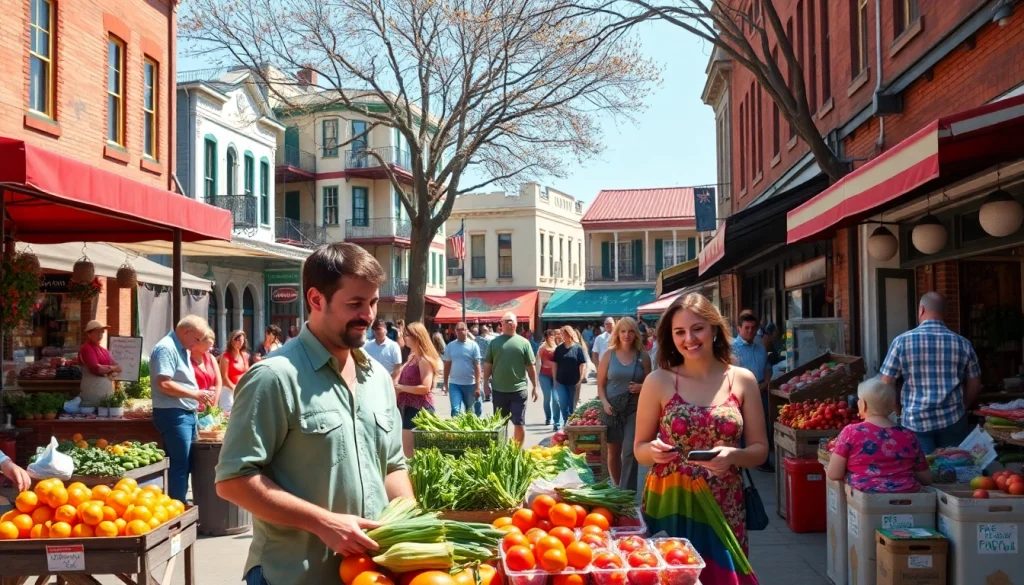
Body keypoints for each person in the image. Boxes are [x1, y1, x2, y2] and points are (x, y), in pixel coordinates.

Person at [215, 243, 411, 585]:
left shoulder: (378, 378)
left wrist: (412, 524)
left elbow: (392, 465)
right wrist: (323, 522)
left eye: (373, 302)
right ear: (316, 300)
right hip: (290, 575)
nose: (368, 315)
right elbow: (233, 481)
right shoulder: (274, 377)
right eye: (355, 304)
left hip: (369, 575)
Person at [635, 294, 767, 585]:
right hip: (670, 498)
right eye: (679, 332)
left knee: (722, 577)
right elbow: (640, 449)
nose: (689, 339)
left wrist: (732, 456)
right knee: (670, 575)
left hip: (724, 502)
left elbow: (759, 451)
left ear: (715, 329)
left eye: (697, 328)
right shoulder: (658, 380)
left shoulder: (742, 379)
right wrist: (653, 452)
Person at [880, 292, 982, 454]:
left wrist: (898, 410)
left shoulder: (901, 342)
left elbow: (886, 382)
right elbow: (975, 382)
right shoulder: (963, 343)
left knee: (923, 473)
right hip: (953, 419)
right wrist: (963, 406)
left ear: (921, 310)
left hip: (915, 420)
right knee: (955, 471)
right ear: (945, 313)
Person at [827, 378, 933, 493]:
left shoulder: (851, 432)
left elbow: (834, 473)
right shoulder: (908, 435)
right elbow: (926, 478)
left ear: (863, 404)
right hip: (907, 499)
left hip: (866, 500)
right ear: (892, 405)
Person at [151, 315, 213, 502]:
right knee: (180, 463)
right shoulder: (166, 348)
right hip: (173, 413)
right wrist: (194, 394)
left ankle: (178, 505)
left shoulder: (182, 348)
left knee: (185, 462)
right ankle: (178, 508)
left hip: (184, 412)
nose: (198, 343)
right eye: (197, 339)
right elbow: (164, 384)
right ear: (186, 332)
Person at [598, 317, 651, 490]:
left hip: (634, 408)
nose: (626, 335)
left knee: (629, 450)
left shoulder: (643, 357)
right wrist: (605, 403)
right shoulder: (608, 355)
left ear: (635, 333)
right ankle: (618, 486)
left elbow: (651, 384)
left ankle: (627, 493)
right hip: (612, 408)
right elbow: (600, 384)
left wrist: (642, 387)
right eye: (622, 331)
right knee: (613, 452)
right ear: (617, 333)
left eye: (630, 331)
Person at [483, 312, 540, 444]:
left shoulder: (524, 343)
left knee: (519, 423)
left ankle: (516, 452)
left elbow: (531, 366)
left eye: (511, 321)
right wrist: (485, 383)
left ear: (516, 324)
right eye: (506, 321)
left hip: (518, 390)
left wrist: (535, 386)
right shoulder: (494, 343)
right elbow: (488, 364)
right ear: (501, 324)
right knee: (500, 425)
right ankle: (502, 451)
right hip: (499, 390)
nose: (509, 323)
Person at [733, 310, 773, 472]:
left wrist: (766, 383)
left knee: (759, 426)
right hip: (740, 394)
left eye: (753, 328)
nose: (750, 331)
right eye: (746, 328)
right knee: (741, 427)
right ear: (739, 329)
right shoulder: (732, 349)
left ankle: (760, 461)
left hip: (761, 391)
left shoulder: (760, 349)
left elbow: (767, 368)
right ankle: (741, 462)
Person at [395, 322, 441, 458]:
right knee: (410, 453)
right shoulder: (412, 357)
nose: (404, 337)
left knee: (416, 455)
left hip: (420, 410)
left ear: (416, 337)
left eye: (407, 335)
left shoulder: (424, 360)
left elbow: (425, 388)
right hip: (408, 408)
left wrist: (401, 388)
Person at [552, 325, 589, 430]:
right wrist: (554, 379)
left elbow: (582, 364)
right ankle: (565, 422)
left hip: (574, 381)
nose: (562, 336)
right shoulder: (559, 349)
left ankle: (571, 425)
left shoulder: (577, 348)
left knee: (572, 405)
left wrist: (581, 378)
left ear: (570, 334)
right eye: (562, 334)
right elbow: (555, 364)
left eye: (564, 334)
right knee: (563, 404)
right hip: (561, 381)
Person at [77, 320, 121, 407]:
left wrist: (109, 369)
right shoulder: (86, 349)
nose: (100, 333)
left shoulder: (104, 350)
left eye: (101, 331)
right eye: (96, 331)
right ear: (89, 334)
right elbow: (97, 368)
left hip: (106, 390)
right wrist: (112, 368)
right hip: (92, 390)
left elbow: (119, 367)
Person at [443, 322, 483, 417]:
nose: (460, 332)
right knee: (455, 410)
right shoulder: (450, 346)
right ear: (455, 332)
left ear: (467, 331)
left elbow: (477, 367)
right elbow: (447, 365)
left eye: (463, 330)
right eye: (458, 330)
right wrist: (445, 383)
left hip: (470, 384)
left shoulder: (473, 346)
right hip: (455, 384)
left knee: (470, 412)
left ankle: (469, 431)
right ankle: (456, 431)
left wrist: (477, 386)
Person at [219, 330, 251, 412]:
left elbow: (248, 374)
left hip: (243, 390)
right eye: (237, 340)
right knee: (228, 416)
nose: (240, 342)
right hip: (228, 391)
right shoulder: (226, 356)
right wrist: (235, 389)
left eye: (242, 340)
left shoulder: (245, 355)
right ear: (231, 341)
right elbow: (224, 378)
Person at [191, 329, 223, 411]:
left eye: (212, 345)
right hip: (194, 405)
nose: (210, 348)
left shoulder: (211, 358)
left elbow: (218, 382)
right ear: (199, 342)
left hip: (211, 404)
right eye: (208, 345)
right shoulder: (187, 359)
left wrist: (214, 403)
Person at [536, 329, 561, 427]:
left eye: (552, 335)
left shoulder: (557, 347)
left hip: (556, 376)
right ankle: (548, 417)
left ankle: (556, 421)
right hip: (544, 375)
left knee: (556, 399)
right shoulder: (542, 347)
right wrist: (536, 377)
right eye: (548, 335)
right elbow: (537, 361)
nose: (550, 337)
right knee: (547, 398)